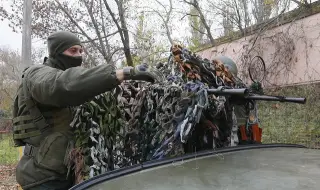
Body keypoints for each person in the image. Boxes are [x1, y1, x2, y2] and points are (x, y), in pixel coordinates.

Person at [12, 31, 158, 190]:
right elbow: (63, 86)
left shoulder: (69, 77)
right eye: (73, 51)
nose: (79, 55)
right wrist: (121, 73)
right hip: (43, 178)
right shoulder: (38, 75)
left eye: (81, 51)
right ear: (56, 53)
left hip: (69, 172)